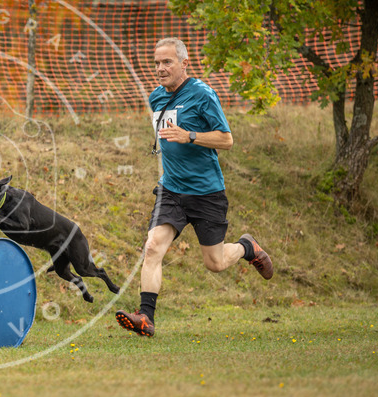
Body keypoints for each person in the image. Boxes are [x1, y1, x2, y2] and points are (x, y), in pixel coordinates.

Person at [116, 38, 273, 337]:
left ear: (184, 63)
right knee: (152, 247)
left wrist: (189, 136)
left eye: (167, 62)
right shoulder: (156, 98)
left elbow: (226, 140)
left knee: (215, 263)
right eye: (156, 63)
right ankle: (145, 318)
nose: (160, 69)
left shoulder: (203, 94)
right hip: (171, 189)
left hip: (206, 192)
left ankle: (246, 247)